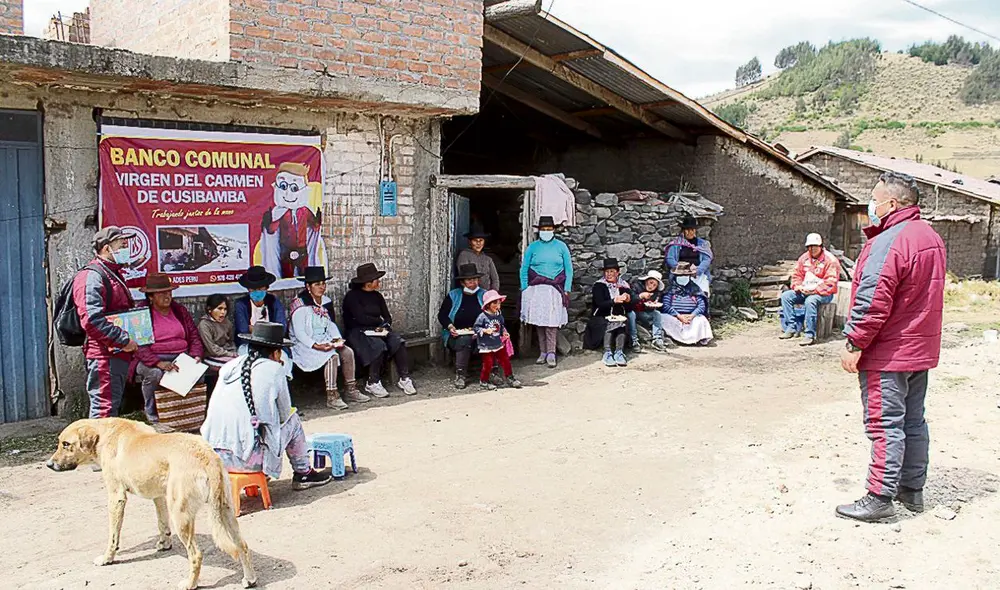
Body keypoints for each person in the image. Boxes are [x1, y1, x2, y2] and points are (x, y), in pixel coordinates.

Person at [836, 172, 946, 523]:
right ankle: (911, 490)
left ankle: (879, 496)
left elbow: (872, 301)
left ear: (892, 204)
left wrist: (855, 342)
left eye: (875, 198)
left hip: (889, 352)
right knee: (913, 421)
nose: (872, 205)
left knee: (885, 425)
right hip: (918, 350)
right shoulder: (929, 236)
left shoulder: (889, 241)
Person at [201, 322, 331, 490]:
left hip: (213, 458)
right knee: (294, 420)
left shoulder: (229, 366)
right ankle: (303, 473)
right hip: (246, 460)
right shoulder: (274, 370)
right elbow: (285, 414)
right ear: (276, 353)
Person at [73, 226, 139, 419]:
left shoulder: (112, 273)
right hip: (104, 356)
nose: (127, 246)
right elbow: (92, 320)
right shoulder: (91, 276)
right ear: (107, 248)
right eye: (122, 243)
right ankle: (96, 450)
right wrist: (123, 340)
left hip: (116, 353)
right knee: (103, 410)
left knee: (111, 408)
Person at [289, 266, 368, 410]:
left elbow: (330, 324)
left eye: (323, 283)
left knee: (347, 352)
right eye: (317, 284)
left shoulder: (324, 301)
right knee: (331, 357)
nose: (321, 287)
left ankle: (351, 389)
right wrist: (316, 345)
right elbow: (300, 333)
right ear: (308, 286)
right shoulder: (300, 305)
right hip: (305, 345)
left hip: (324, 339)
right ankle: (332, 396)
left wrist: (337, 339)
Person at [132, 274, 205, 424]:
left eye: (169, 292)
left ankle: (186, 413)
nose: (167, 296)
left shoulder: (179, 311)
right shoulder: (142, 313)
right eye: (162, 293)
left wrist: (195, 355)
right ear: (151, 297)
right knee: (155, 374)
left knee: (199, 374)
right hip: (151, 359)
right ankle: (151, 413)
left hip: (180, 356)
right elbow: (138, 346)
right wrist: (158, 362)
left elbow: (194, 336)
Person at [342, 263, 416, 398]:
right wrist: (378, 323)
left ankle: (404, 378)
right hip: (357, 331)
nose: (379, 282)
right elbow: (360, 318)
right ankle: (373, 381)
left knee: (398, 341)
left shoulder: (377, 296)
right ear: (368, 283)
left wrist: (385, 326)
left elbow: (387, 316)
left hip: (377, 330)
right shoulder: (352, 297)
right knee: (378, 346)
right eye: (376, 279)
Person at [520, 215, 573, 368]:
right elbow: (524, 268)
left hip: (554, 289)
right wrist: (525, 288)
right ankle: (543, 352)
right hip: (536, 288)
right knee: (539, 321)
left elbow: (568, 269)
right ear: (539, 231)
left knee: (552, 322)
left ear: (554, 230)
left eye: (549, 229)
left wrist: (567, 288)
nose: (546, 231)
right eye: (543, 229)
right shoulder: (533, 247)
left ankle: (551, 353)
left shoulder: (561, 246)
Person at [779, 233, 841, 346]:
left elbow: (831, 282)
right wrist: (798, 287)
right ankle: (791, 327)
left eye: (815, 246)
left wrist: (815, 290)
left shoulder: (830, 260)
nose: (812, 249)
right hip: (805, 290)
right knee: (786, 296)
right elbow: (796, 275)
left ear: (821, 246)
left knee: (810, 301)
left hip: (823, 294)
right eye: (809, 246)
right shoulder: (804, 258)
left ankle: (810, 334)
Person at [233, 266, 292, 379]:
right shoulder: (241, 304)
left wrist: (254, 328)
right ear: (248, 289)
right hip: (249, 344)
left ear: (266, 288)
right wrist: (268, 329)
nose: (257, 292)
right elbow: (243, 330)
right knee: (249, 364)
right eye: (253, 289)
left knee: (282, 361)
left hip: (273, 344)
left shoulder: (274, 302)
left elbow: (281, 328)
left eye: (260, 288)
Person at [438, 263, 486, 389]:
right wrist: (450, 327)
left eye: (475, 279)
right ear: (463, 283)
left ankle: (492, 372)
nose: (474, 283)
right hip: (456, 335)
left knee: (492, 338)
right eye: (469, 280)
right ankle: (461, 375)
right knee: (464, 339)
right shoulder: (453, 295)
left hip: (481, 333)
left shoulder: (484, 295)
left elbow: (493, 314)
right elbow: (442, 315)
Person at [585, 258, 632, 367]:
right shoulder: (599, 285)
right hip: (600, 316)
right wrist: (613, 301)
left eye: (612, 271)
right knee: (610, 323)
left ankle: (619, 352)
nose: (609, 274)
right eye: (607, 272)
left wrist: (628, 299)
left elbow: (630, 306)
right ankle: (607, 352)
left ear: (617, 272)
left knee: (622, 322)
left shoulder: (623, 285)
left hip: (618, 317)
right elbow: (600, 303)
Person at [473, 290, 522, 391]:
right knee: (488, 364)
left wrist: (504, 332)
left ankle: (510, 378)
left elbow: (501, 326)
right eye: (495, 303)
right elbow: (476, 328)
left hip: (498, 343)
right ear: (488, 305)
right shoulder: (482, 317)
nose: (498, 305)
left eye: (499, 303)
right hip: (486, 345)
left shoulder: (499, 315)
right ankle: (484, 382)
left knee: (505, 361)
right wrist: (485, 330)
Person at [661, 262, 713, 346]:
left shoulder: (695, 289)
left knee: (702, 320)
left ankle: (698, 338)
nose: (683, 278)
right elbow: (666, 305)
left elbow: (701, 306)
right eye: (680, 276)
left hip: (691, 319)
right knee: (662, 317)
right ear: (676, 277)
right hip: (675, 318)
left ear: (689, 277)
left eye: (685, 276)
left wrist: (692, 316)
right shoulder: (670, 290)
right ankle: (672, 338)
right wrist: (678, 316)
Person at [665, 215, 713, 295]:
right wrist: (682, 269)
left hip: (698, 274)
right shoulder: (676, 244)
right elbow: (670, 258)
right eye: (687, 230)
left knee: (701, 293)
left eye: (692, 230)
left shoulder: (702, 244)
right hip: (680, 274)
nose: (690, 232)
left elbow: (707, 259)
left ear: (695, 231)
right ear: (683, 231)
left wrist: (698, 271)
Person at [628, 269, 670, 352]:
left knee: (656, 314)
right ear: (646, 280)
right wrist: (640, 296)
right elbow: (629, 301)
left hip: (643, 313)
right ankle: (634, 341)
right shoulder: (636, 286)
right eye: (651, 283)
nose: (651, 286)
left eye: (654, 285)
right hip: (632, 311)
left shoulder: (655, 293)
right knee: (631, 314)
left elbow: (650, 307)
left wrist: (652, 305)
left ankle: (657, 339)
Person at [198, 294, 238, 369]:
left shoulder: (227, 322)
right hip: (211, 355)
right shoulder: (204, 325)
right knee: (232, 366)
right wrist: (230, 354)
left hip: (227, 352)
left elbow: (231, 341)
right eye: (219, 308)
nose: (223, 312)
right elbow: (212, 348)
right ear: (210, 309)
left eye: (225, 309)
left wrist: (233, 352)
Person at [456, 226, 500, 292]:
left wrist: (492, 293)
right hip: (470, 293)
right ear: (470, 242)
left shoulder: (488, 259)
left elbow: (495, 279)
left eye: (481, 240)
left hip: (486, 295)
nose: (478, 243)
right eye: (475, 240)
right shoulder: (464, 255)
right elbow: (464, 277)